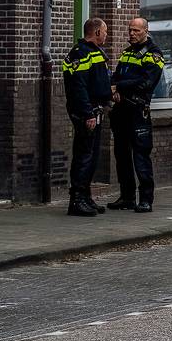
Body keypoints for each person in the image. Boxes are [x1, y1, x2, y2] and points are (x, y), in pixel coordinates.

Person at [108, 17, 163, 213]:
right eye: (130, 30)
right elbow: (116, 75)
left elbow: (147, 83)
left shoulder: (153, 54)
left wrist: (119, 86)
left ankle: (146, 199)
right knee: (121, 155)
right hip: (121, 110)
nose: (132, 33)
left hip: (138, 111)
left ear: (146, 31)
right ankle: (127, 197)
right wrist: (113, 87)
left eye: (136, 31)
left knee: (141, 155)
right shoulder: (126, 52)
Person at [62, 17, 111, 217]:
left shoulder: (95, 52)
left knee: (92, 156)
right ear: (97, 32)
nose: (107, 35)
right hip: (86, 112)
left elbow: (97, 80)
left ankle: (86, 196)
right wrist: (87, 113)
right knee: (83, 156)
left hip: (95, 110)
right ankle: (77, 200)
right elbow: (78, 87)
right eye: (105, 32)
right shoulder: (80, 54)